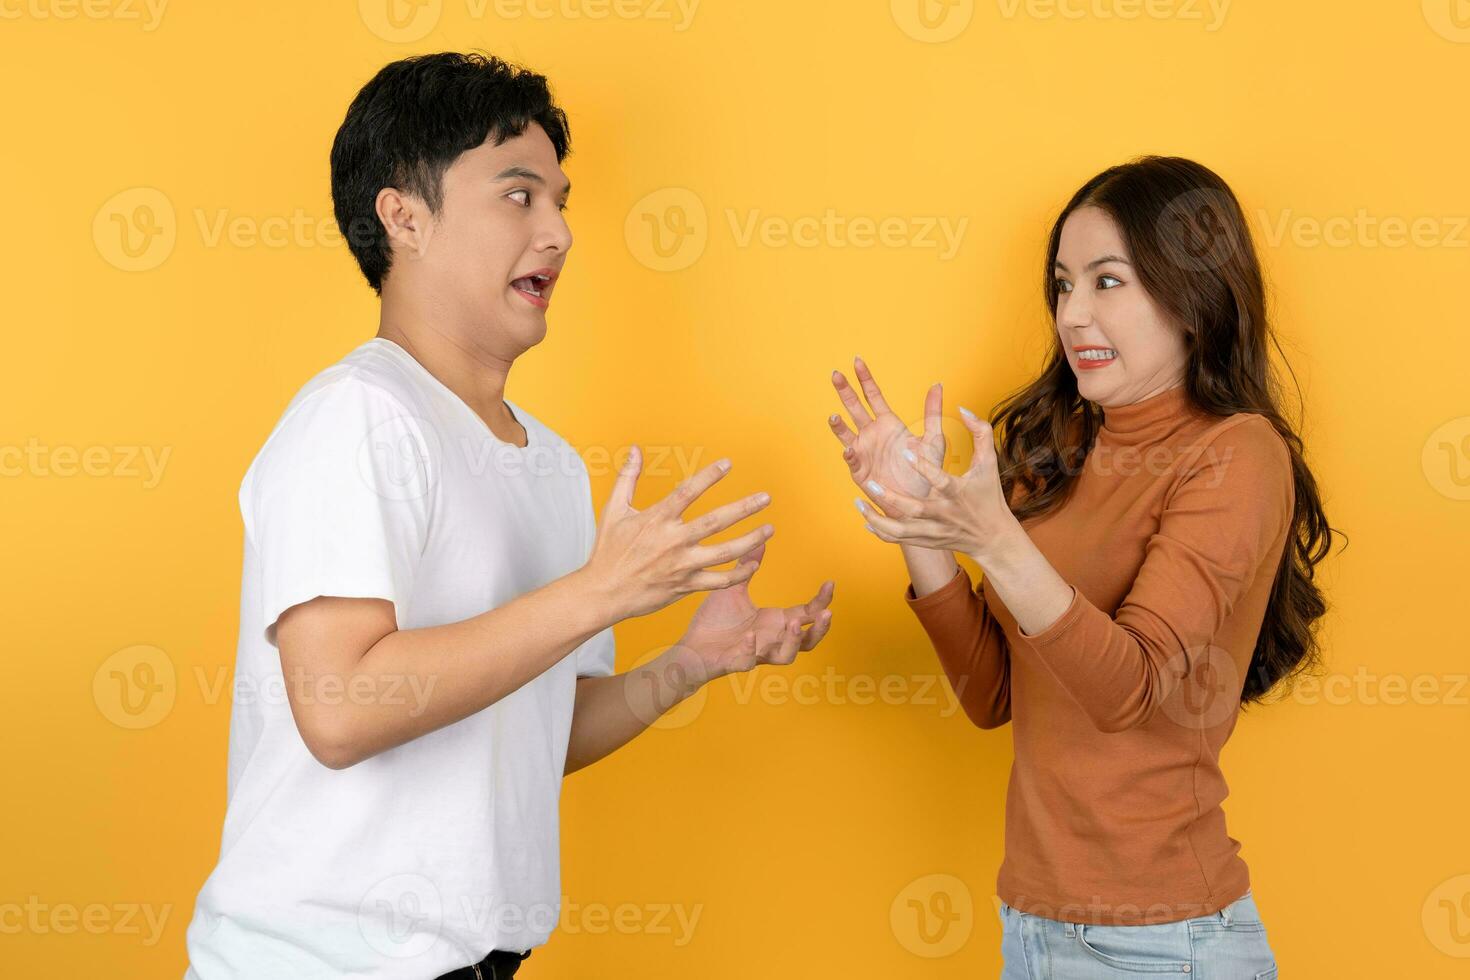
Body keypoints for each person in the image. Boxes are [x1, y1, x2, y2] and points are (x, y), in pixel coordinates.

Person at [181, 51, 834, 980]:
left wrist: (692, 663)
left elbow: (537, 732)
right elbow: (338, 707)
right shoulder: (357, 415)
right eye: (519, 197)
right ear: (404, 217)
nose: (560, 233)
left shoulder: (555, 466)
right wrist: (598, 592)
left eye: (562, 203)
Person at [827, 156, 1338, 979]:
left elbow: (1128, 689)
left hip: (1163, 944)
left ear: (1193, 298)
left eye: (1108, 282)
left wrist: (995, 540)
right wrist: (920, 527)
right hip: (1031, 928)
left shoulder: (1236, 455)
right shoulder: (1056, 450)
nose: (1072, 315)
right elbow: (995, 697)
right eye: (1063, 285)